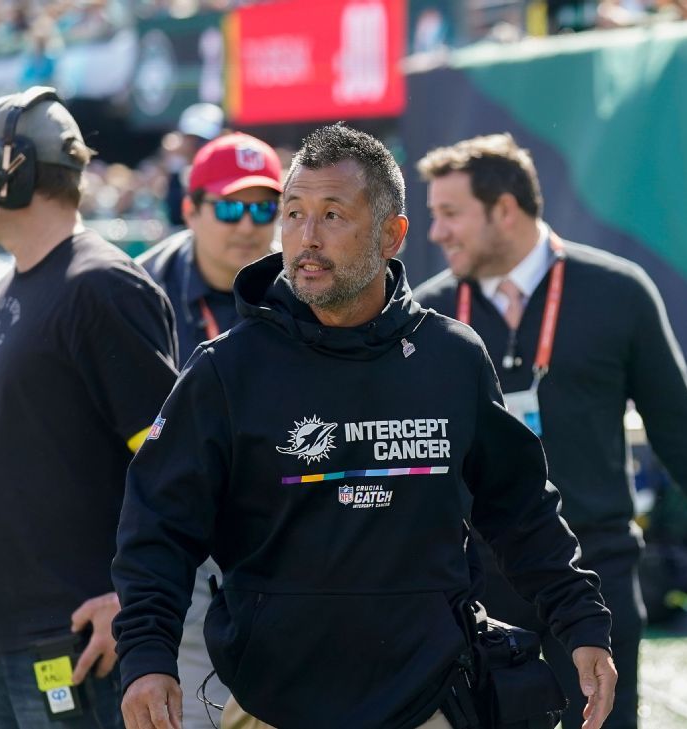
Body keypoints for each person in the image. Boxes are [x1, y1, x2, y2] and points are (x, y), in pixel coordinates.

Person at [112, 123, 618, 729]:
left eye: (332, 215)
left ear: (392, 234)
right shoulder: (227, 369)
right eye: (294, 213)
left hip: (431, 702)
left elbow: (521, 510)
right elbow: (157, 526)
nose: (306, 237)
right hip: (271, 706)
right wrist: (147, 657)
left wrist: (581, 620)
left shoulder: (452, 358)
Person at [413, 133, 687, 729]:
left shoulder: (617, 291)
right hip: (473, 586)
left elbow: (680, 432)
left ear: (504, 209)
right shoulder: (428, 315)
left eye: (450, 214)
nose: (436, 233)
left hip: (596, 570)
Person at [0, 86, 178, 727]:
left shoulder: (104, 287)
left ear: (15, 169)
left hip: (72, 640)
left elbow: (175, 467)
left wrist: (133, 596)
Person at [134, 131, 282, 728]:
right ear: (190, 207)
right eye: (228, 206)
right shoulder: (140, 290)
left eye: (264, 207)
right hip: (187, 544)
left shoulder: (311, 287)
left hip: (288, 540)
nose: (247, 224)